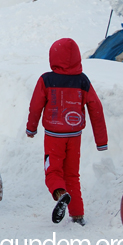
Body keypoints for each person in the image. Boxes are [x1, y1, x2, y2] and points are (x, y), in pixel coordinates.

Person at [26, 37, 108, 225]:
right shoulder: (82, 81)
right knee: (72, 174)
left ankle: (61, 193)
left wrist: (31, 128)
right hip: (74, 136)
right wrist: (101, 141)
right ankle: (77, 214)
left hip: (54, 136)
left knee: (53, 170)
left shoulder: (46, 79)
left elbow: (36, 106)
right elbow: (96, 108)